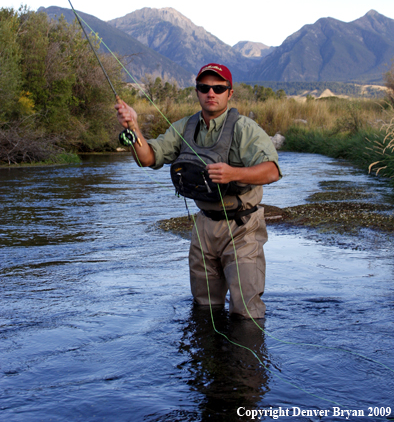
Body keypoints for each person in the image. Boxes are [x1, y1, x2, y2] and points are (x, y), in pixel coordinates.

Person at [115, 63, 281, 319]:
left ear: (230, 93)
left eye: (218, 88)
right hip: (203, 226)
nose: (211, 93)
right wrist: (134, 127)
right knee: (204, 308)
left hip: (242, 227)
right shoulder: (184, 127)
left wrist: (233, 173)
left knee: (247, 314)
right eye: (204, 87)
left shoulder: (244, 128)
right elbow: (148, 158)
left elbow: (272, 171)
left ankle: (244, 358)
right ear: (197, 92)